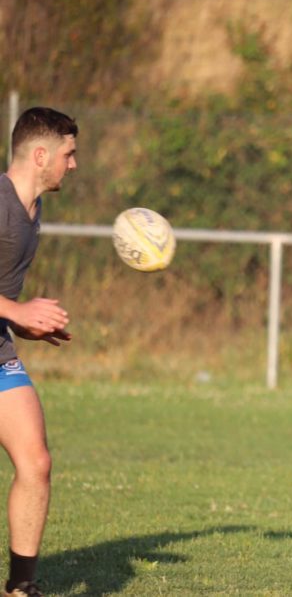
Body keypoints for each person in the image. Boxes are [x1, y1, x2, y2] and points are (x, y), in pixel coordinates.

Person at [0, 107, 78, 597]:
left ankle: (20, 588)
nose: (73, 165)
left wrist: (25, 324)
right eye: (68, 154)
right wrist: (19, 309)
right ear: (41, 154)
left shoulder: (33, 208)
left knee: (37, 461)